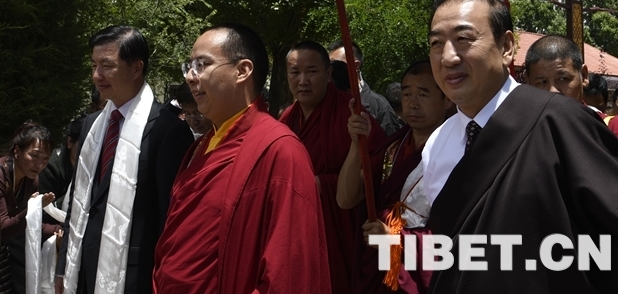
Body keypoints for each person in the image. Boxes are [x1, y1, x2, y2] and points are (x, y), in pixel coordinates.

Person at [423, 0, 618, 293]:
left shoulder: (561, 121)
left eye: (463, 39)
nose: (447, 57)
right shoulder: (436, 145)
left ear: (507, 47)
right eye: (436, 43)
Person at [153, 24, 330, 294]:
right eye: (189, 66)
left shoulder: (280, 150)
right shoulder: (201, 146)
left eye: (202, 64)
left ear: (243, 70)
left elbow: (287, 272)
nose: (190, 76)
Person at [55, 26, 193, 294]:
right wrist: (62, 267)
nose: (97, 75)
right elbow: (79, 202)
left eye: (107, 65)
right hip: (82, 271)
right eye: (94, 65)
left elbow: (170, 219)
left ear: (136, 68)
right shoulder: (92, 125)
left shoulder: (167, 130)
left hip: (133, 276)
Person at [281, 41, 386, 294]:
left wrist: (323, 184)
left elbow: (380, 167)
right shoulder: (287, 118)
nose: (303, 81)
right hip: (301, 226)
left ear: (328, 74)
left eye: (312, 71)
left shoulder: (351, 114)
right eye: (295, 72)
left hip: (344, 229)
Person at [338, 61, 452, 293]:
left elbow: (457, 235)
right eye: (407, 94)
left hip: (423, 274)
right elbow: (345, 199)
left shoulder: (456, 153)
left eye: (423, 94)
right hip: (380, 267)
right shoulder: (393, 148)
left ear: (447, 99)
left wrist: (395, 238)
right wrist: (356, 144)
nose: (412, 103)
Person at [524, 34, 618, 182]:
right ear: (528, 82)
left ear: (584, 75)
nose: (553, 91)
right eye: (542, 82)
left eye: (563, 79)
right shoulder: (522, 139)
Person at [1, 121, 59, 294]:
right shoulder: (2, 175)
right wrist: (33, 209)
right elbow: (3, 229)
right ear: (17, 151)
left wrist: (59, 230)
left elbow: (26, 225)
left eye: (45, 159)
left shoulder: (31, 179)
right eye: (34, 155)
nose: (39, 164)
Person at [328, 40, 403, 135]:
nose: (331, 69)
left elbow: (390, 141)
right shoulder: (325, 100)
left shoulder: (379, 106)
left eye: (336, 64)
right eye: (329, 64)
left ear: (355, 65)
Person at [39, 115, 87, 224]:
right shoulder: (49, 167)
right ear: (69, 142)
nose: (89, 151)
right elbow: (42, 212)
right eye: (84, 145)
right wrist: (75, 194)